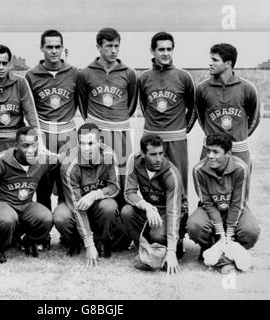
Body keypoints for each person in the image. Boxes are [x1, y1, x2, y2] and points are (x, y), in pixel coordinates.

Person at [138, 32, 196, 255]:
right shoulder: (143, 78)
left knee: (178, 189)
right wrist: (154, 132)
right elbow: (143, 105)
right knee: (151, 185)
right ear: (152, 51)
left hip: (176, 140)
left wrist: (180, 131)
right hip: (151, 140)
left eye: (169, 49)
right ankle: (151, 232)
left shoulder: (184, 77)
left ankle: (178, 238)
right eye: (161, 49)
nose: (165, 53)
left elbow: (193, 110)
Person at [78, 27, 138, 210]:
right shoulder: (86, 73)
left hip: (121, 130)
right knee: (99, 175)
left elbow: (132, 103)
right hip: (98, 131)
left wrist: (118, 120)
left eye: (116, 46)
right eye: (109, 46)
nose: (113, 50)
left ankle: (121, 224)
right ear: (98, 47)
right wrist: (97, 124)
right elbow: (82, 104)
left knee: (122, 176)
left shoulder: (128, 73)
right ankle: (100, 220)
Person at [0, 126, 59, 262]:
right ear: (16, 145)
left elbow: (63, 158)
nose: (30, 150)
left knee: (46, 218)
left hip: (26, 204)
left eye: (34, 145)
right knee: (8, 219)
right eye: (25, 146)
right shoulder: (1, 160)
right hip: (2, 202)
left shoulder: (43, 159)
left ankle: (29, 241)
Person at [187, 133, 260, 274]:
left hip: (234, 209)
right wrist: (221, 232)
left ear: (228, 153)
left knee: (251, 230)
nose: (210, 156)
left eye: (216, 152)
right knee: (194, 225)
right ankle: (210, 248)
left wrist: (230, 232)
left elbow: (238, 203)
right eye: (208, 151)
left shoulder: (241, 168)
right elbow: (207, 203)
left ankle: (229, 252)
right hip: (211, 210)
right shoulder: (199, 170)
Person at [25, 30, 79, 211]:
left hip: (67, 135)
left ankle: (68, 232)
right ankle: (44, 234)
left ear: (63, 48)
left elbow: (83, 103)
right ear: (42, 48)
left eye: (58, 47)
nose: (54, 51)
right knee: (43, 187)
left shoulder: (74, 73)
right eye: (49, 47)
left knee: (68, 183)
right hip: (44, 134)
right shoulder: (31, 75)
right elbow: (29, 108)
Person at [55, 123, 123, 266]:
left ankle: (102, 241)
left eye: (91, 143)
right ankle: (75, 241)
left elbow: (115, 187)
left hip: (97, 204)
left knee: (109, 206)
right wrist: (88, 243)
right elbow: (76, 206)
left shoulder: (109, 156)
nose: (86, 148)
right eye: (82, 143)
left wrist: (94, 194)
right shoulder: (69, 164)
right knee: (61, 216)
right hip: (73, 204)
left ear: (100, 142)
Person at [121, 134, 183, 275]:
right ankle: (145, 252)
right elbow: (129, 193)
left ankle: (174, 247)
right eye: (153, 154)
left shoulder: (171, 174)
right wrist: (146, 206)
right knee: (126, 212)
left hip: (169, 210)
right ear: (143, 154)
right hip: (151, 207)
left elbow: (174, 212)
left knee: (157, 235)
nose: (158, 159)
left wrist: (172, 251)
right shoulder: (134, 160)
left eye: (161, 153)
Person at [195, 43, 260, 168]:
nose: (210, 63)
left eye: (215, 60)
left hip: (238, 150)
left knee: (239, 186)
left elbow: (254, 119)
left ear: (228, 63)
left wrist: (239, 137)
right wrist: (212, 138)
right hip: (211, 151)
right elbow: (201, 117)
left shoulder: (247, 88)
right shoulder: (202, 88)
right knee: (208, 185)